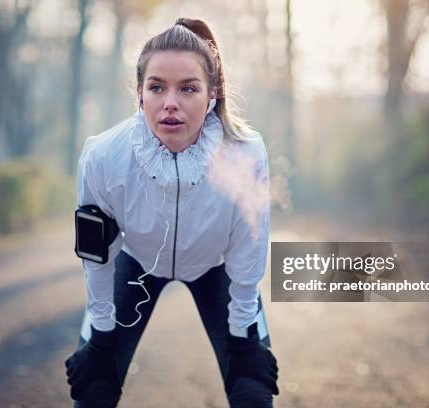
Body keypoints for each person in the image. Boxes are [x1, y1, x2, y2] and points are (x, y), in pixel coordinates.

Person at [64, 17, 278, 408]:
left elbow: (250, 246)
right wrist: (102, 334)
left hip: (217, 268)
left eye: (188, 88)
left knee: (253, 391)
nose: (171, 103)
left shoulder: (246, 152)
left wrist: (243, 337)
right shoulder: (103, 156)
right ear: (140, 95)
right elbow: (97, 256)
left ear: (212, 94)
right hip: (137, 264)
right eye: (157, 87)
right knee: (94, 389)